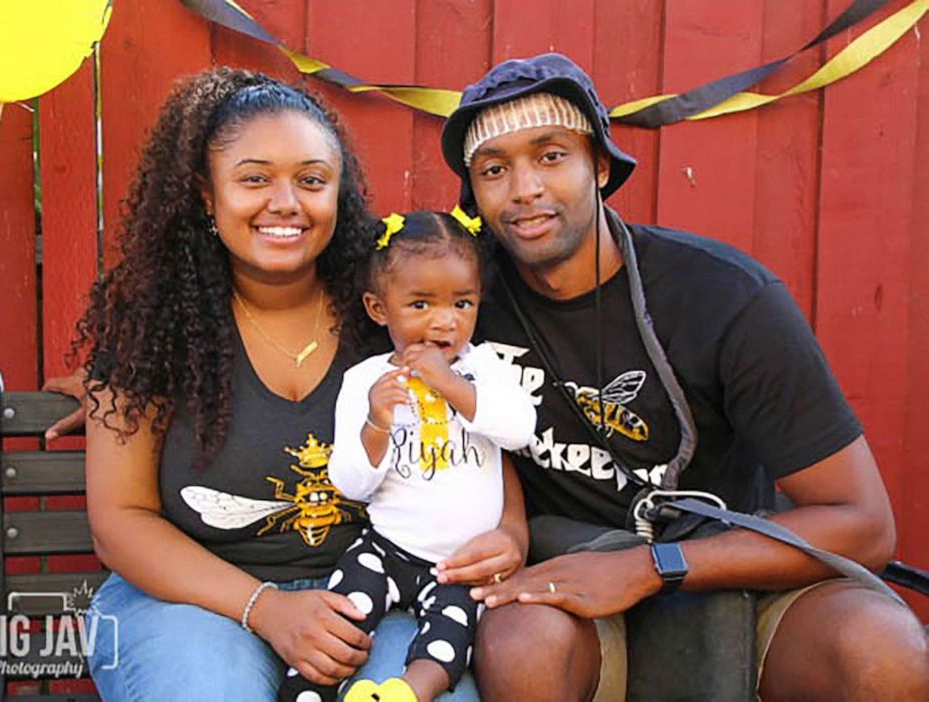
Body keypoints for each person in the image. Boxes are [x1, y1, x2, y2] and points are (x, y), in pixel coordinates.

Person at [434, 53, 929, 701]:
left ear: (601, 166)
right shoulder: (457, 300)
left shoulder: (724, 297)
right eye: (494, 169)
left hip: (726, 561)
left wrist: (652, 567)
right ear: (474, 195)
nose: (524, 188)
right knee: (522, 641)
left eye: (551, 155)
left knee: (882, 653)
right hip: (570, 577)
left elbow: (863, 524)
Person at [76, 68, 482, 701]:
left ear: (339, 194)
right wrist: (266, 608)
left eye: (312, 180)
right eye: (255, 179)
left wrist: (509, 533)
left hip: (378, 595)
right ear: (206, 196)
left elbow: (485, 423)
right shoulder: (152, 326)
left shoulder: (389, 309)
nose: (287, 202)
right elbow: (119, 520)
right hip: (190, 602)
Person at [279, 210, 536, 702]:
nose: (445, 321)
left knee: (451, 636)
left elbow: (520, 429)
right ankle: (308, 693)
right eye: (420, 304)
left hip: (457, 564)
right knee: (343, 618)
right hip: (385, 548)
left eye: (462, 303)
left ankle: (404, 693)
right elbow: (350, 484)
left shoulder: (485, 368)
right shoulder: (367, 381)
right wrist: (376, 424)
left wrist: (452, 385)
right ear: (379, 308)